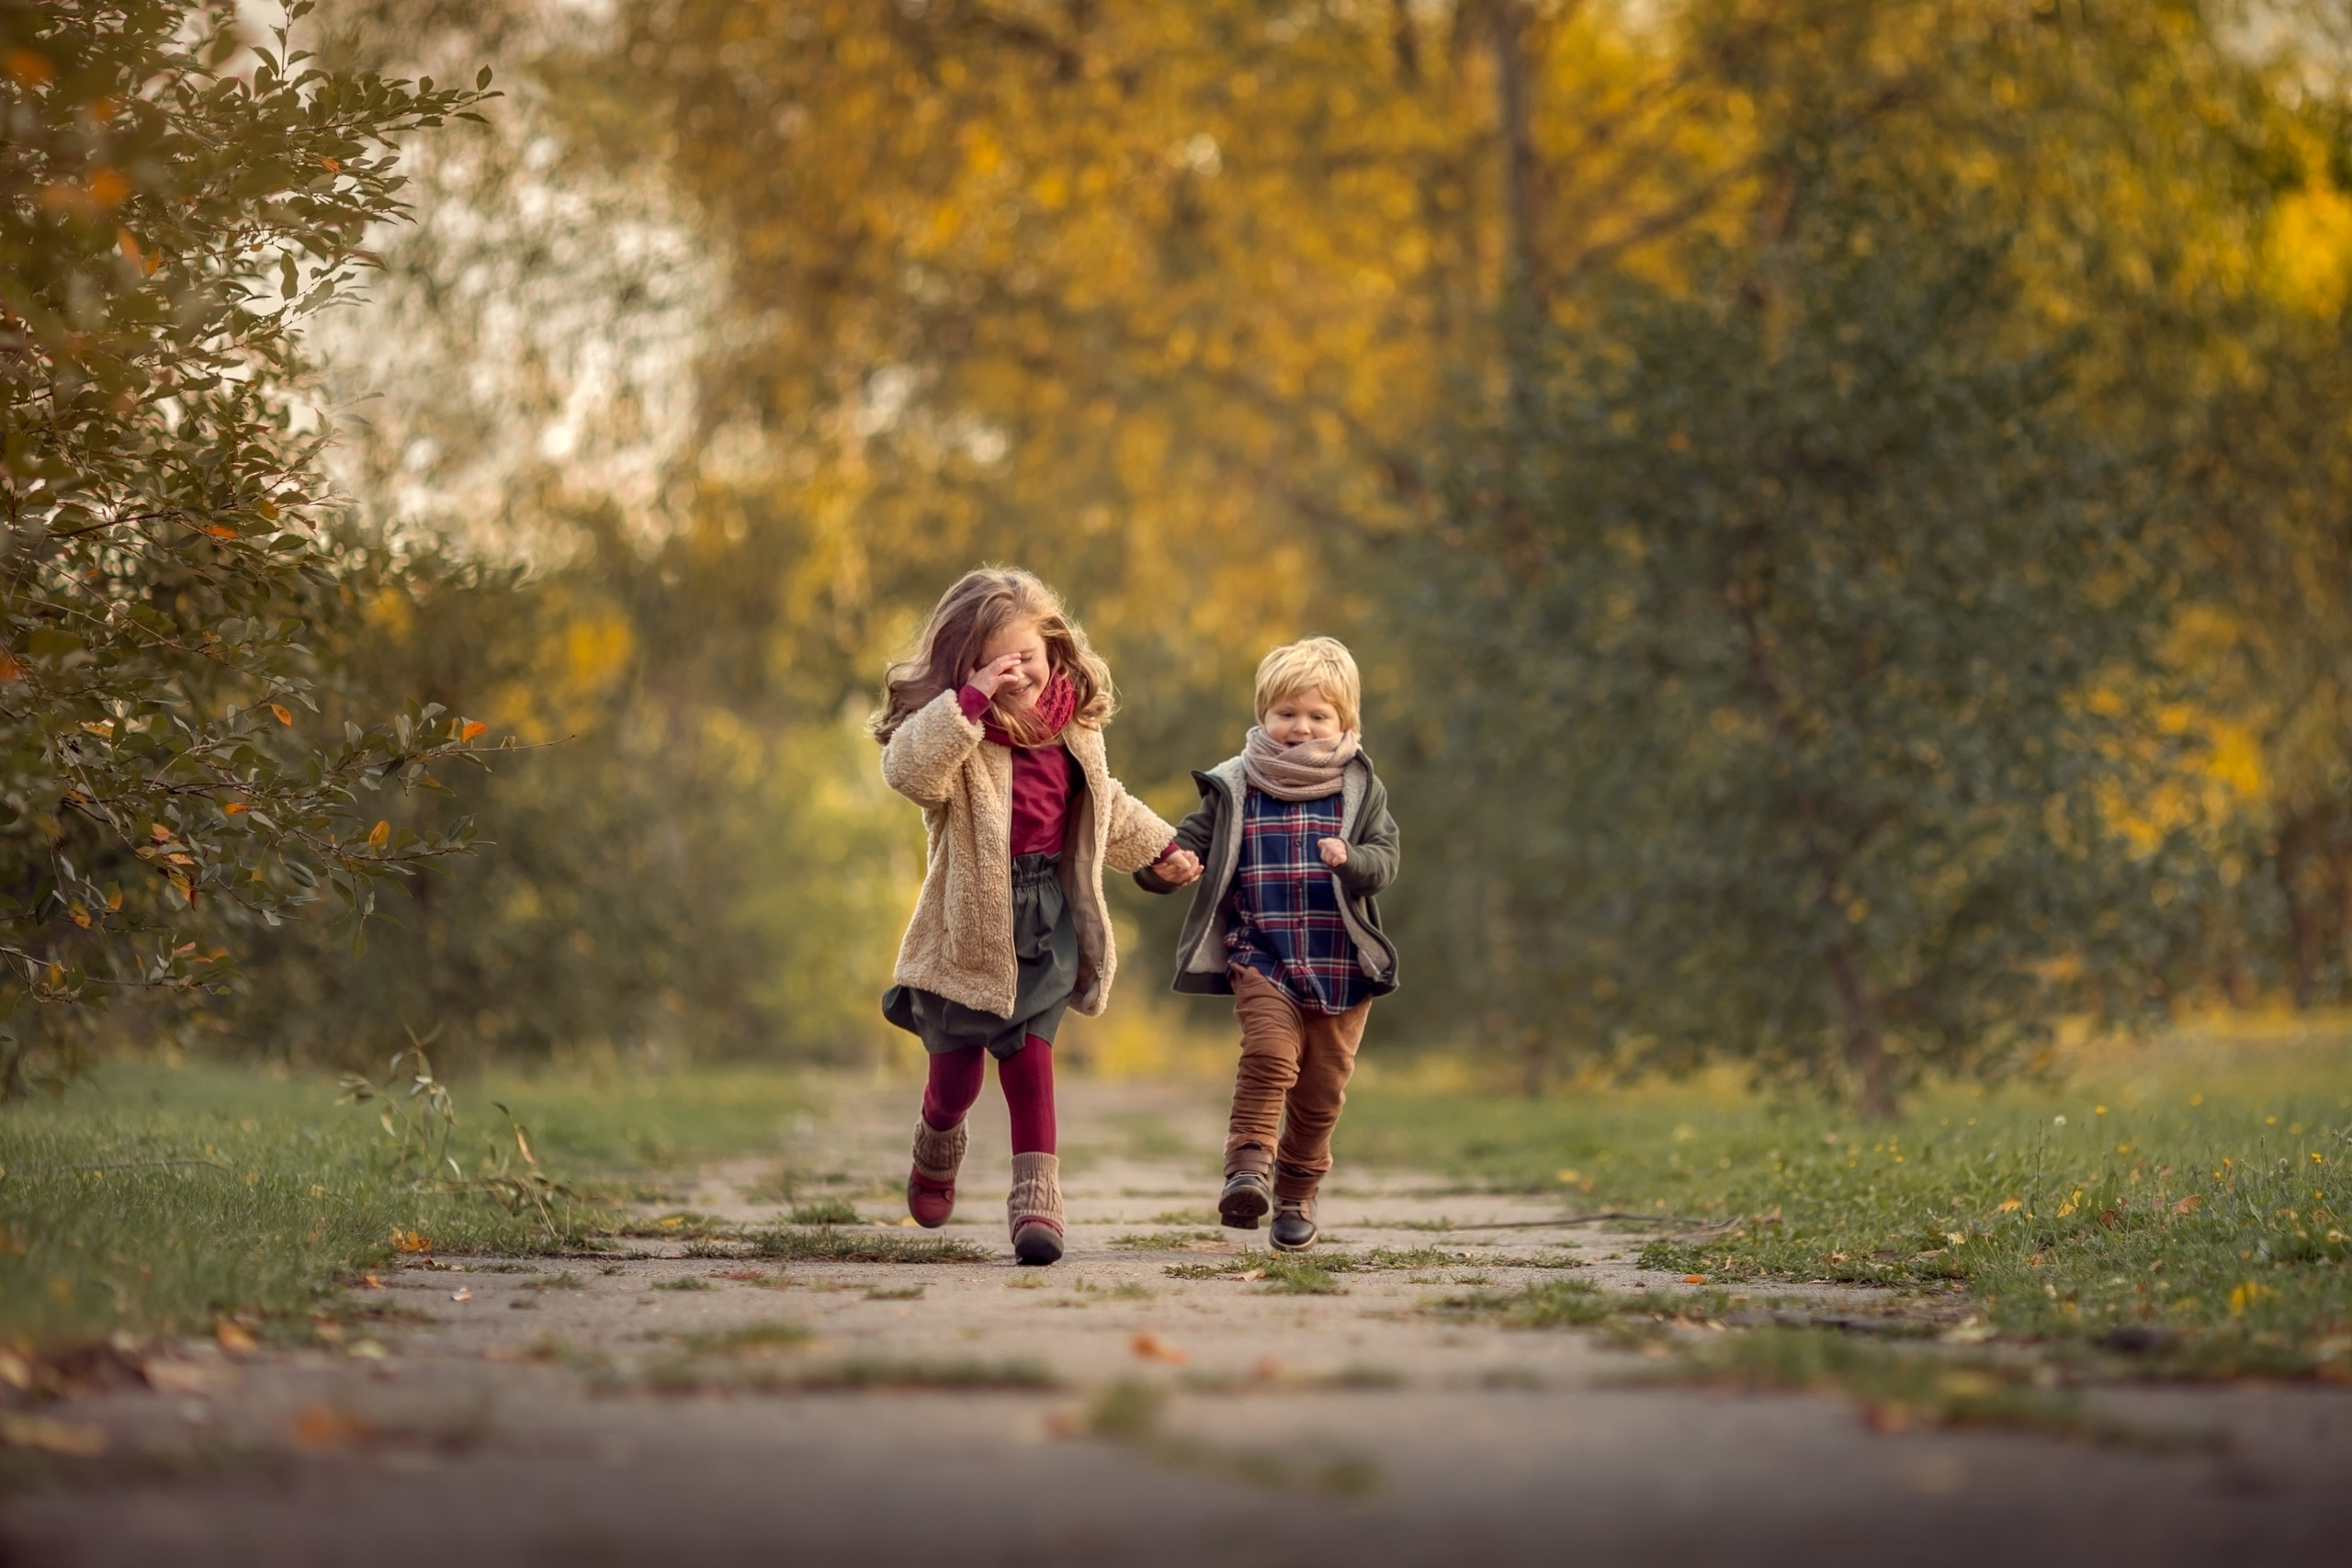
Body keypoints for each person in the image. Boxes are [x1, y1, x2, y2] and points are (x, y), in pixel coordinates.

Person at [872, 568, 1203, 1264]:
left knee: (1032, 1060)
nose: (1013, 672)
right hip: (971, 922)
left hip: (1044, 916)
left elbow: (1102, 803)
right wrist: (966, 704)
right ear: (966, 665)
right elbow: (908, 773)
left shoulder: (1073, 727)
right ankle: (938, 1137)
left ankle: (1037, 1199)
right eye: (995, 662)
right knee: (957, 1074)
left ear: (1053, 648)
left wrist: (1164, 844)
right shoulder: (960, 734)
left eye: (1026, 656)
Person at [1136, 637, 1400, 1251]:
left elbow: (1386, 860)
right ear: (1263, 715)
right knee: (1269, 1054)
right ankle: (1248, 1167)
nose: (1299, 727)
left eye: (1317, 716)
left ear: (1344, 723)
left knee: (1321, 1090)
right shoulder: (1236, 786)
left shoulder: (1360, 788)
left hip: (1341, 962)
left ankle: (1297, 1194)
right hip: (1263, 952)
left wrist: (1352, 858)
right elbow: (1183, 844)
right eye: (1286, 713)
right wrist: (1163, 866)